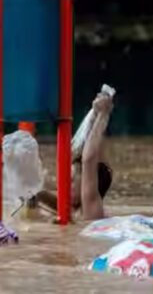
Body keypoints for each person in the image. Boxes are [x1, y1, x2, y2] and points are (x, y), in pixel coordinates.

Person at [33, 92, 114, 221]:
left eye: (71, 181)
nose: (63, 185)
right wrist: (33, 192)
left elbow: (88, 160)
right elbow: (55, 203)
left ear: (88, 183)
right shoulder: (75, 210)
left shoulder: (89, 208)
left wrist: (103, 114)